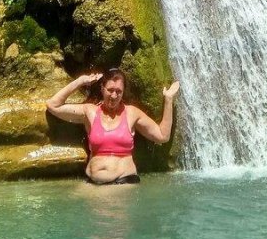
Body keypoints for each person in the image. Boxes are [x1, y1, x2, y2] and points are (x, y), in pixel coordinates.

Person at [46, 67, 180, 185]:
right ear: (102, 89)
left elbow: (162, 136)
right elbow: (53, 105)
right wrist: (81, 81)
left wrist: (168, 100)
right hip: (92, 182)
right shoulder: (90, 112)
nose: (114, 95)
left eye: (119, 91)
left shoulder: (131, 113)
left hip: (123, 182)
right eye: (110, 90)